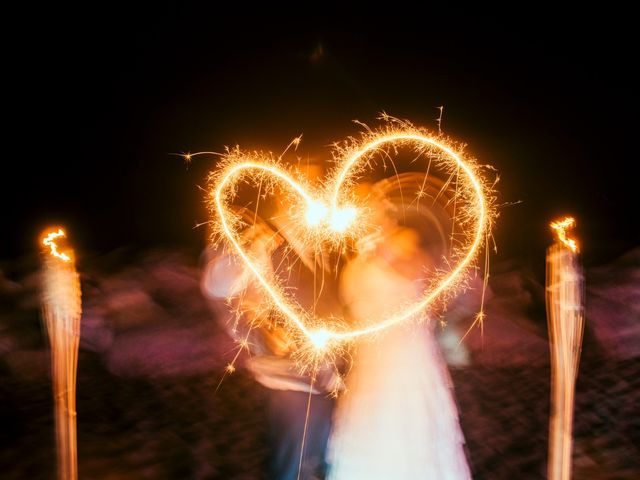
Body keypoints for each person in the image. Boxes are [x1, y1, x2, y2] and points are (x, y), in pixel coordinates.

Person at [327, 183, 472, 479]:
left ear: (383, 208)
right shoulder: (353, 260)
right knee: (371, 425)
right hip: (369, 361)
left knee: (409, 425)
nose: (363, 212)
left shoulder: (404, 242)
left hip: (408, 357)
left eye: (369, 204)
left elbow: (424, 282)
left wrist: (382, 254)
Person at [202, 217, 342, 480]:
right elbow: (217, 287)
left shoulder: (324, 242)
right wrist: (248, 245)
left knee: (320, 461)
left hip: (328, 376)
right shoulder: (260, 240)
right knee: (293, 464)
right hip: (288, 379)